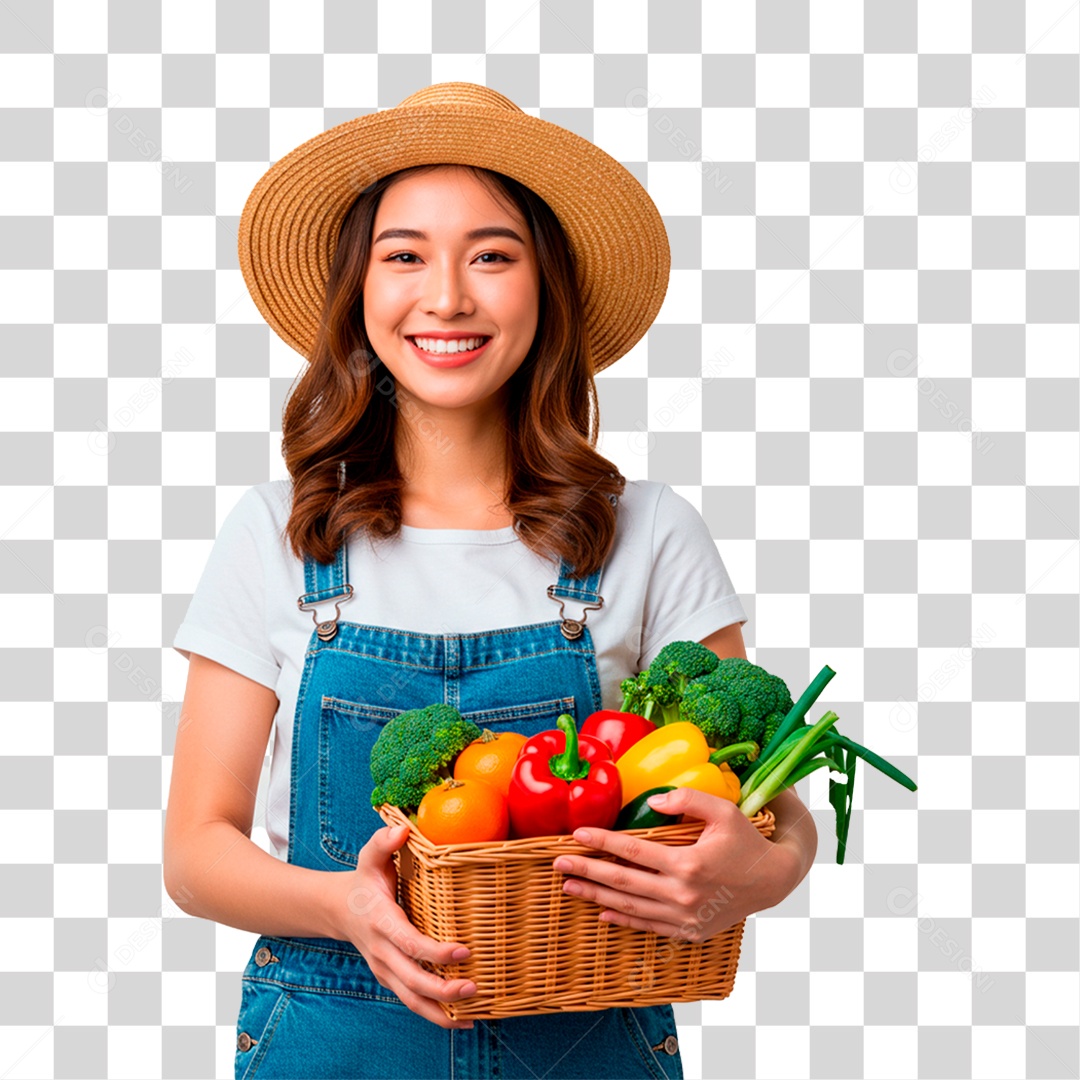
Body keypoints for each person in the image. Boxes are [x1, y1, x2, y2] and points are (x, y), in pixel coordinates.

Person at [163, 82, 818, 1080]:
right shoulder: (282, 532)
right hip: (334, 1041)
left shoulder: (647, 534)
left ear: (543, 287)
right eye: (405, 255)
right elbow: (196, 850)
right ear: (361, 292)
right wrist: (346, 907)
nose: (449, 296)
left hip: (587, 1043)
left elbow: (773, 804)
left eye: (494, 255)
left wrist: (756, 874)